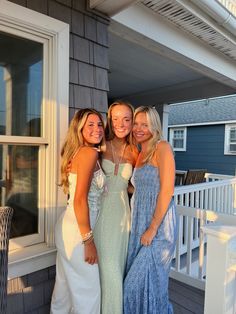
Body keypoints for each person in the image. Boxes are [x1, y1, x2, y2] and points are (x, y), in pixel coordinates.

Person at [50, 108, 106, 314]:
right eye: (89, 125)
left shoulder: (82, 152)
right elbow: (80, 200)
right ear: (79, 129)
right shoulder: (89, 153)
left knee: (64, 289)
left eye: (99, 124)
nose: (97, 129)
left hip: (69, 226)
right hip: (77, 230)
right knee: (88, 293)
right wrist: (88, 241)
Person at [123, 106, 178, 314]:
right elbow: (138, 188)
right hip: (140, 222)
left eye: (144, 124)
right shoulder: (139, 153)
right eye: (135, 124)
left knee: (139, 284)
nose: (138, 128)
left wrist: (153, 227)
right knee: (144, 285)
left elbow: (167, 190)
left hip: (159, 225)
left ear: (154, 126)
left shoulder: (162, 147)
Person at [93, 100, 138, 314]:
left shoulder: (135, 150)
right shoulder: (100, 144)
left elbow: (132, 186)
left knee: (117, 267)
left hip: (123, 214)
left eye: (126, 119)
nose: (121, 124)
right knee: (107, 268)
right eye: (116, 118)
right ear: (110, 120)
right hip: (101, 212)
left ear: (132, 122)